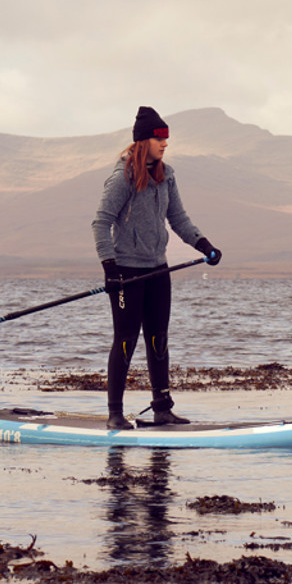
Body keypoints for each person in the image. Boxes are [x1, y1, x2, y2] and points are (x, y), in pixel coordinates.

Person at [90, 107, 221, 429]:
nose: (164, 144)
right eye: (159, 138)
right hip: (127, 272)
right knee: (125, 339)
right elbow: (100, 223)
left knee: (158, 338)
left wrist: (204, 245)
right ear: (142, 141)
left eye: (166, 139)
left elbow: (178, 218)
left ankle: (162, 407)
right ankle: (115, 414)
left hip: (158, 270)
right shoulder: (121, 178)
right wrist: (111, 270)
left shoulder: (167, 175)